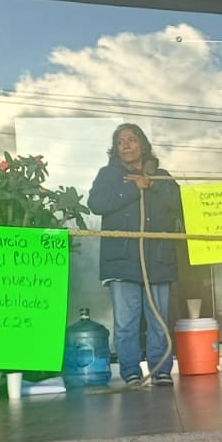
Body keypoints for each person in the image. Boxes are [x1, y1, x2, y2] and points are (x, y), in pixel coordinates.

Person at [88, 124, 182, 388]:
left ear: (142, 144)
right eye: (120, 142)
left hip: (158, 260)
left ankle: (161, 369)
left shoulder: (162, 176)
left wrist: (151, 184)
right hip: (122, 262)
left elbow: (179, 204)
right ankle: (130, 371)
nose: (126, 145)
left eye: (131, 139)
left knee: (159, 319)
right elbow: (96, 204)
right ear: (116, 149)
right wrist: (133, 188)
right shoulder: (108, 175)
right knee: (127, 323)